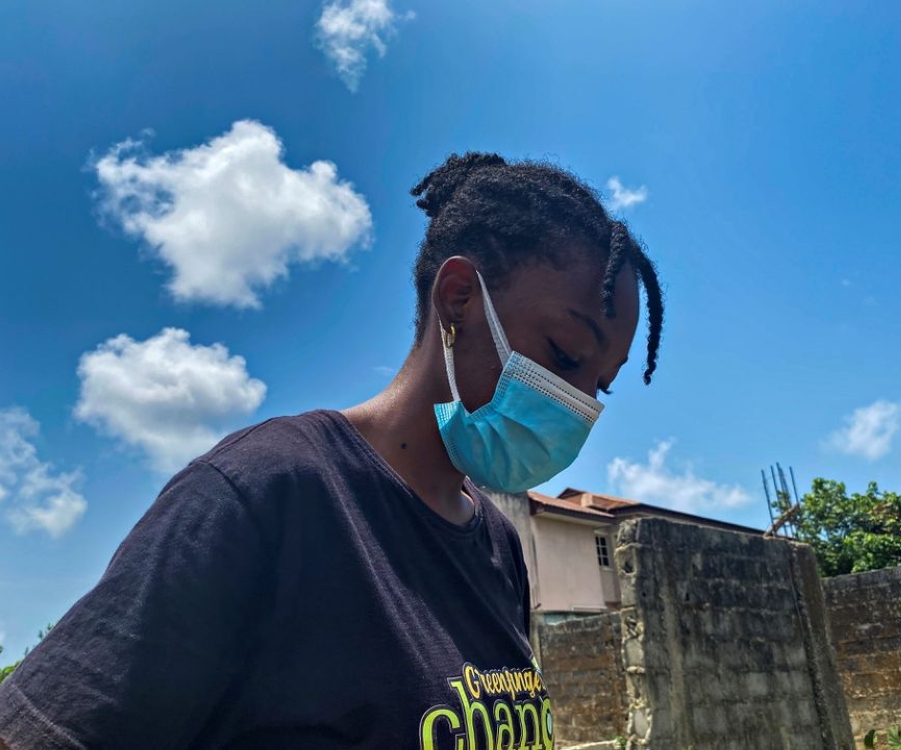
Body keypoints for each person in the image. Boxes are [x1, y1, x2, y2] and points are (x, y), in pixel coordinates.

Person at [0, 152, 664, 749]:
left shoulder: (497, 545)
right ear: (459, 299)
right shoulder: (263, 494)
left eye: (598, 384)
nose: (576, 402)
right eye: (564, 356)